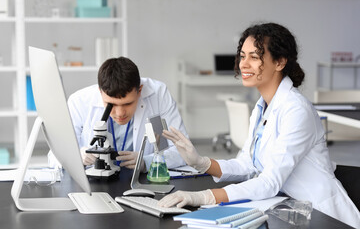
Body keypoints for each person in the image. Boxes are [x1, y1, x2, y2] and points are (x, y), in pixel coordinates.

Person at [158, 22, 360, 228]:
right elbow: (247, 164)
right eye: (243, 56)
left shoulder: (296, 110)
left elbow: (269, 182)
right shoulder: (262, 106)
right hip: (284, 209)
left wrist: (203, 197)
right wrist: (201, 162)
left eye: (254, 57)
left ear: (280, 62)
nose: (243, 64)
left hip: (320, 216)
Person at [50, 56, 186, 171]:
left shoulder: (158, 95)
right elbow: (53, 156)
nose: (120, 113)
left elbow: (183, 151)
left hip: (141, 181)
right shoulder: (79, 101)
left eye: (128, 103)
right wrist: (77, 157)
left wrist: (146, 162)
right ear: (100, 92)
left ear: (140, 91)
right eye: (111, 105)